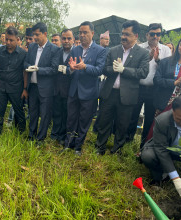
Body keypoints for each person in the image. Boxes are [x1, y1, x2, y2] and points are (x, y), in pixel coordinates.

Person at [95, 20, 149, 155]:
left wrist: (124, 69)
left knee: (122, 124)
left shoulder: (142, 53)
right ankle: (99, 147)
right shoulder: (113, 50)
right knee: (104, 121)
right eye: (122, 34)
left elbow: (143, 73)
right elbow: (104, 69)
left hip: (127, 95)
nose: (123, 37)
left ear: (136, 36)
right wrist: (113, 69)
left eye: (127, 34)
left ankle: (116, 150)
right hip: (109, 92)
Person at [141, 95, 181, 206]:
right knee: (148, 155)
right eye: (179, 120)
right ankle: (162, 176)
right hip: (170, 151)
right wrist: (175, 178)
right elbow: (161, 149)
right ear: (173, 112)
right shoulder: (162, 120)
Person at [63, 21, 106, 155]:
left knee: (84, 120)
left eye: (85, 32)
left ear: (92, 33)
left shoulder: (100, 50)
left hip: (89, 92)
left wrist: (85, 66)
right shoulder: (75, 49)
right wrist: (70, 69)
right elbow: (69, 68)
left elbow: (99, 70)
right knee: (71, 118)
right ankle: (68, 144)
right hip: (74, 90)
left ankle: (78, 147)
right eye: (80, 33)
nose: (82, 35)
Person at [126, 23, 172, 148]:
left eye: (158, 34)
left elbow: (168, 71)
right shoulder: (139, 47)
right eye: (152, 34)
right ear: (147, 35)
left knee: (150, 119)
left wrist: (157, 61)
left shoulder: (166, 50)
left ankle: (143, 146)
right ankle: (127, 142)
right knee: (132, 115)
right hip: (138, 87)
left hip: (154, 90)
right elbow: (132, 67)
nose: (155, 36)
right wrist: (147, 59)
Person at [24, 22, 60, 143]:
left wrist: (39, 69)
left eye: (37, 34)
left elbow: (54, 69)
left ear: (45, 34)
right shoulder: (33, 47)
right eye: (34, 34)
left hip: (46, 88)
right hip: (33, 87)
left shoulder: (54, 49)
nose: (35, 37)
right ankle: (31, 135)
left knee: (45, 115)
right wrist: (30, 67)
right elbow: (25, 63)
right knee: (32, 112)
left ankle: (40, 138)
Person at [0, 26, 28, 135]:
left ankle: (21, 132)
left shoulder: (23, 53)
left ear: (17, 39)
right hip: (1, 86)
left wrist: (25, 88)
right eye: (6, 39)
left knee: (19, 111)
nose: (8, 42)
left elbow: (25, 72)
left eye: (11, 40)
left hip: (16, 87)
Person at [50, 29, 74, 145]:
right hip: (57, 87)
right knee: (56, 112)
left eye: (69, 38)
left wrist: (68, 70)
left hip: (69, 89)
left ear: (73, 39)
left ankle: (63, 136)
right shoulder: (57, 51)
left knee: (66, 114)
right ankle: (54, 134)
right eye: (64, 38)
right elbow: (53, 65)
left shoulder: (76, 52)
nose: (66, 41)